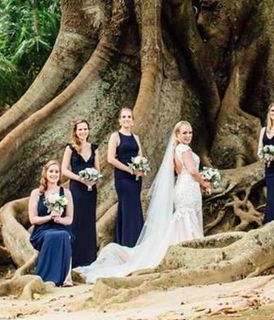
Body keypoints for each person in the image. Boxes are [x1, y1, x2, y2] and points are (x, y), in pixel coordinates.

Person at [75, 119, 210, 282]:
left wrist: (199, 183)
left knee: (183, 219)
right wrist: (205, 182)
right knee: (188, 219)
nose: (188, 135)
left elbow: (181, 172)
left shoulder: (176, 149)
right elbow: (193, 171)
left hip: (183, 186)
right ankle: (192, 251)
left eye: (190, 132)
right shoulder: (185, 149)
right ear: (177, 135)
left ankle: (185, 249)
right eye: (184, 133)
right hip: (188, 189)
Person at [28, 159, 73, 286]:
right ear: (45, 173)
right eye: (51, 171)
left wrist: (59, 219)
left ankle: (66, 278)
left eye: (57, 172)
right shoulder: (36, 193)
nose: (54, 174)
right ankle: (46, 277)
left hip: (62, 228)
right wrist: (49, 217)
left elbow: (70, 219)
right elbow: (33, 219)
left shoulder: (66, 193)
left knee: (63, 235)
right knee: (51, 236)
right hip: (42, 230)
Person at [61, 119, 99, 267]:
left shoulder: (94, 148)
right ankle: (74, 259)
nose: (83, 132)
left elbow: (97, 170)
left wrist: (93, 180)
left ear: (89, 131)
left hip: (90, 190)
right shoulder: (70, 148)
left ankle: (89, 259)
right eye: (80, 129)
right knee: (76, 221)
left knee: (89, 222)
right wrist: (80, 179)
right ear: (75, 132)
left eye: (85, 129)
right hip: (76, 190)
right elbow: (64, 169)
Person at [107, 107, 145, 247]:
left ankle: (135, 242)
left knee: (135, 207)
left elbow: (140, 156)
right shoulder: (115, 136)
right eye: (124, 117)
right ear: (119, 120)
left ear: (133, 121)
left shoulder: (136, 137)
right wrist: (130, 170)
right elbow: (110, 159)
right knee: (128, 208)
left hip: (136, 179)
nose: (127, 119)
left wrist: (141, 169)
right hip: (123, 178)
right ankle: (128, 244)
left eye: (129, 117)